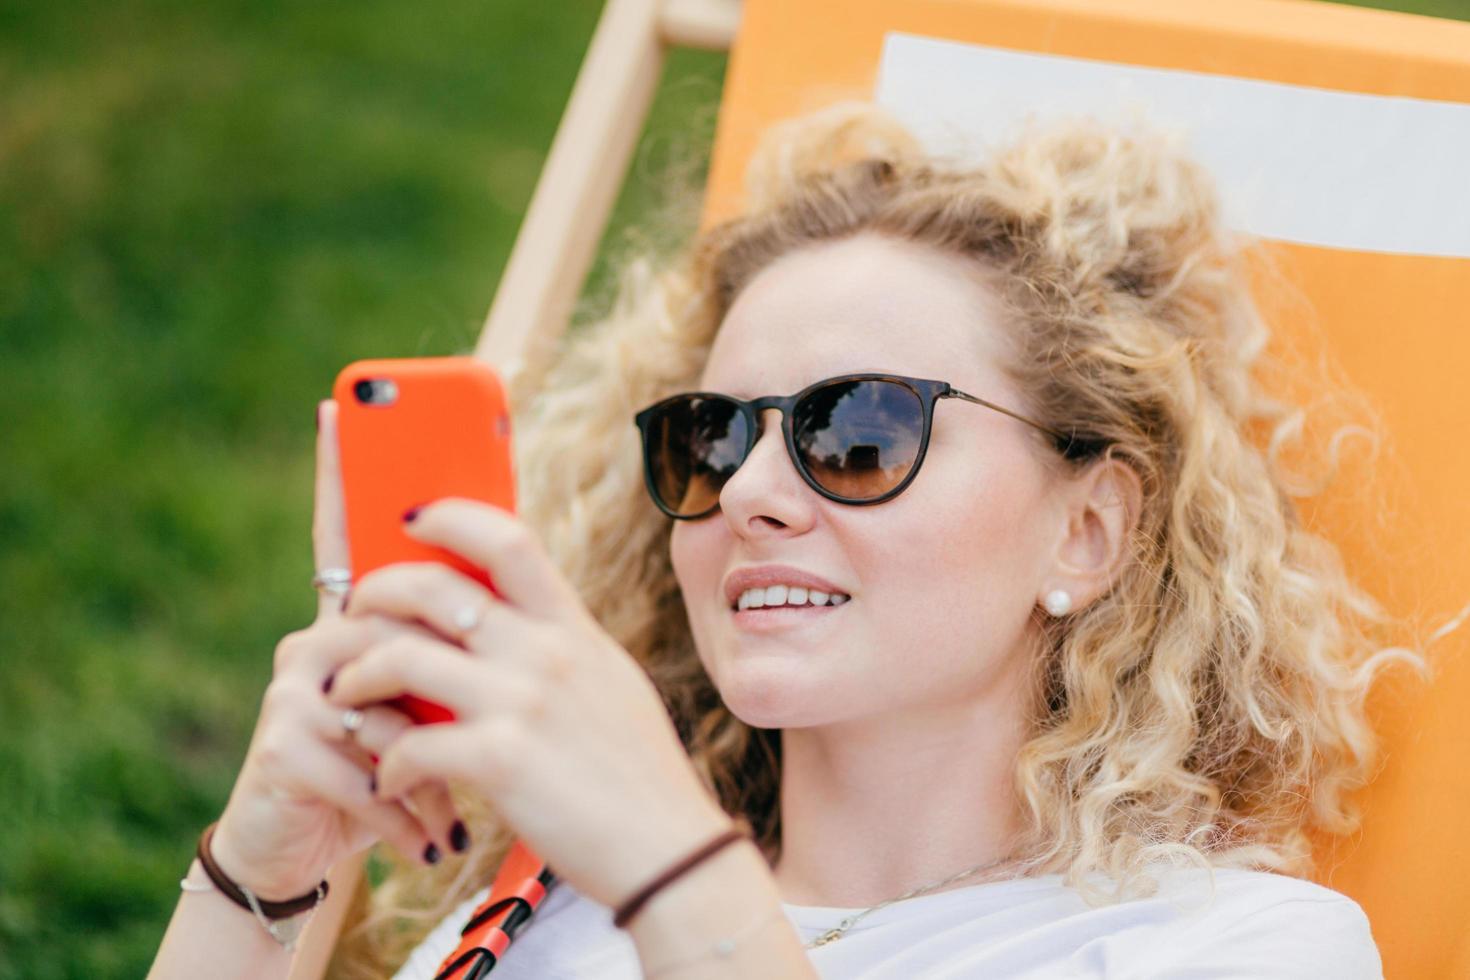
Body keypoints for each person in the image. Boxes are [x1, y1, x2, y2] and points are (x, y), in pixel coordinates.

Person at [148, 101, 1424, 980]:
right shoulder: (540, 907)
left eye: (857, 432)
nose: (751, 488)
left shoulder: (1226, 948)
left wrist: (671, 864)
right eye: (709, 437)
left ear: (1086, 530)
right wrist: (263, 873)